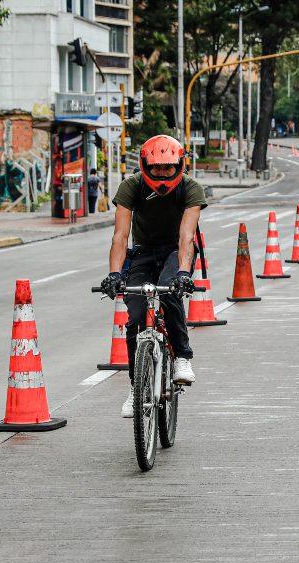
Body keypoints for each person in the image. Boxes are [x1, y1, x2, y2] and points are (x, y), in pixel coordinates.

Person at [100, 135, 206, 418]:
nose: (162, 174)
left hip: (175, 251)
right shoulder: (131, 186)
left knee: (171, 293)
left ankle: (182, 357)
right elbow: (120, 236)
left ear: (179, 165)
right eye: (156, 167)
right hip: (143, 252)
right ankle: (137, 389)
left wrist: (184, 273)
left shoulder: (190, 188)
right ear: (145, 165)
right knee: (134, 316)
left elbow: (186, 237)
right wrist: (114, 274)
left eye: (168, 168)